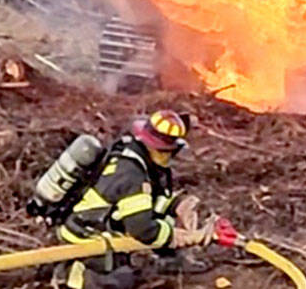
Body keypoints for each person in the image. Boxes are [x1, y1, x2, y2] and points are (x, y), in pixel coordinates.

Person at [55, 109, 209, 289]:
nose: (169, 157)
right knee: (120, 280)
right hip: (86, 234)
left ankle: (170, 262)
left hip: (102, 222)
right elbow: (141, 229)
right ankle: (71, 277)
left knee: (163, 220)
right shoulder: (132, 174)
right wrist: (173, 236)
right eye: (167, 152)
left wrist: (177, 205)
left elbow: (148, 200)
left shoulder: (137, 156)